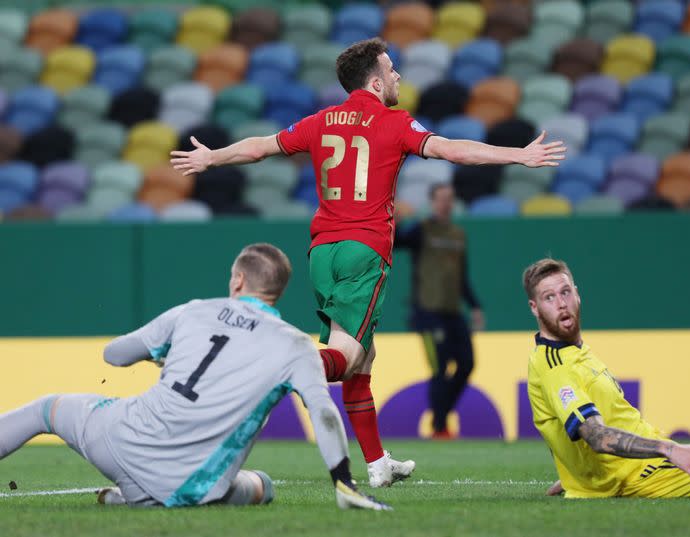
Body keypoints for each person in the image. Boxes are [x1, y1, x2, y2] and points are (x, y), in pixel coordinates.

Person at [170, 37, 566, 487]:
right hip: (365, 250)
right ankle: (266, 372)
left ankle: (377, 464)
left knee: (362, 359)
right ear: (376, 83)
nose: (398, 76)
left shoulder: (320, 121)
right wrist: (518, 155)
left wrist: (211, 157)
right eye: (392, 70)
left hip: (322, 252)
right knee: (346, 353)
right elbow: (452, 150)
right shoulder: (394, 122)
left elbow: (260, 146)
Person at [0, 243, 389, 510]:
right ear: (278, 291)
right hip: (190, 486)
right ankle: (136, 497)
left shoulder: (194, 311)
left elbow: (114, 355)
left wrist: (162, 353)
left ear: (238, 280)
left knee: (45, 410)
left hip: (120, 441)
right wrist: (343, 481)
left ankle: (131, 494)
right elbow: (323, 412)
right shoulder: (295, 347)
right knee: (262, 487)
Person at [523, 257, 690, 499]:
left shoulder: (573, 351)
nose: (561, 304)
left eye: (565, 292)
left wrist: (579, 475)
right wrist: (670, 450)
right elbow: (596, 436)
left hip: (637, 468)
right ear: (534, 308)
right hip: (641, 473)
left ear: (577, 294)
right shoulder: (556, 367)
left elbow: (564, 428)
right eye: (550, 297)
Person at [395, 183, 483, 439]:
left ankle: (441, 414)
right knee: (440, 368)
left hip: (453, 312)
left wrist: (475, 305)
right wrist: (396, 223)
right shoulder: (422, 230)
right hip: (428, 312)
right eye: (441, 199)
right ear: (432, 202)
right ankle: (440, 427)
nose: (446, 203)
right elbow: (396, 243)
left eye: (449, 198)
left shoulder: (458, 234)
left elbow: (462, 276)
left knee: (467, 363)